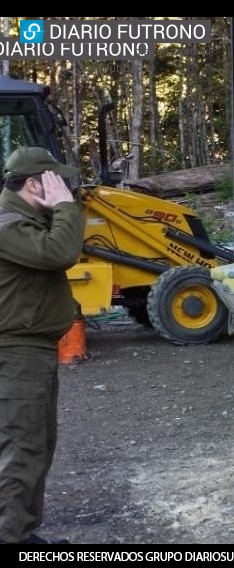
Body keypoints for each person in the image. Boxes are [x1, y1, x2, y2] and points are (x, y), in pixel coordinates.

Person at [0, 147, 84, 544]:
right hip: (15, 353)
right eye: (55, 181)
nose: (63, 188)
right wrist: (66, 207)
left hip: (29, 350)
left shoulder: (24, 222)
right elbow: (60, 252)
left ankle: (23, 533)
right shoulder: (8, 224)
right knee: (21, 452)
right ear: (34, 183)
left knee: (34, 446)